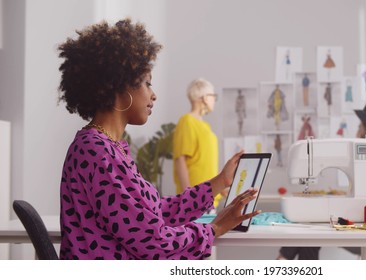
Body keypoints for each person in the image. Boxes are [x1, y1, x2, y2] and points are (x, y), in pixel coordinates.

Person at [57, 19, 260, 260]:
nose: (153, 95)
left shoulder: (109, 148)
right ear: (120, 85)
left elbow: (157, 212)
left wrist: (220, 181)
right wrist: (214, 228)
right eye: (147, 83)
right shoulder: (95, 150)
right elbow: (152, 242)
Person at [277, 97, 366, 260]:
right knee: (311, 226)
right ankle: (287, 261)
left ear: (365, 129)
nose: (357, 131)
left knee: (312, 226)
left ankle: (283, 260)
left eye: (359, 127)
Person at [173, 78, 225, 209]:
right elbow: (180, 160)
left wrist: (224, 189)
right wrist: (188, 198)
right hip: (195, 202)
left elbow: (208, 164)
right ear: (205, 97)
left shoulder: (205, 126)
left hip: (210, 200)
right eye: (213, 96)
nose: (214, 100)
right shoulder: (187, 121)